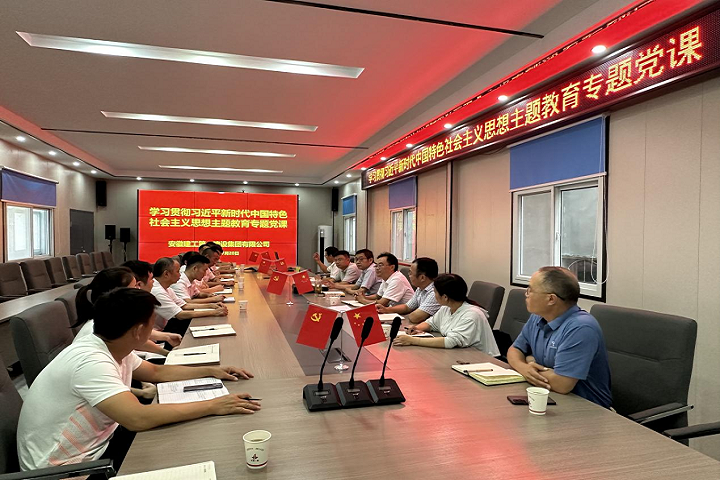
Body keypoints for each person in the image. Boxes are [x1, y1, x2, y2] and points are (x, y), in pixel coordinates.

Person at [17, 288, 260, 473]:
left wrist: (212, 371)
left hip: (100, 444)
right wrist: (214, 405)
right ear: (137, 331)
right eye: (151, 323)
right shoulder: (91, 361)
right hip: (69, 469)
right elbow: (137, 418)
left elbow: (155, 373)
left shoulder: (111, 344)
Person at [506, 266, 612, 409]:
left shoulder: (581, 328)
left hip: (587, 408)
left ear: (551, 299)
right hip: (550, 397)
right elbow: (514, 351)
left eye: (531, 290)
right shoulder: (537, 317)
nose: (527, 295)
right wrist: (525, 367)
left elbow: (562, 384)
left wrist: (530, 361)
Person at [73, 267, 180, 354]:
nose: (138, 290)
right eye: (134, 287)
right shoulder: (100, 328)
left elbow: (135, 339)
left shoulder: (112, 317)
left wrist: (166, 343)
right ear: (117, 293)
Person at [393, 274, 499, 355]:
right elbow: (431, 323)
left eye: (435, 292)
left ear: (445, 297)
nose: (434, 295)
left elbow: (450, 342)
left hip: (482, 360)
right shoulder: (446, 308)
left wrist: (413, 340)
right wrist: (416, 328)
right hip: (460, 354)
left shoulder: (472, 315)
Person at [150, 258, 227, 332]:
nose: (180, 275)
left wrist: (211, 306)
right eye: (177, 271)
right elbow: (180, 314)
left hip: (167, 325)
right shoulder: (158, 291)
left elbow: (184, 305)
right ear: (166, 274)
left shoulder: (167, 288)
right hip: (157, 332)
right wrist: (214, 312)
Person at [376, 257, 441, 324]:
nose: (408, 275)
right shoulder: (420, 288)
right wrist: (386, 310)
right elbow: (407, 307)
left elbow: (415, 317)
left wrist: (408, 315)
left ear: (422, 278)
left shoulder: (435, 293)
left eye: (410, 273)